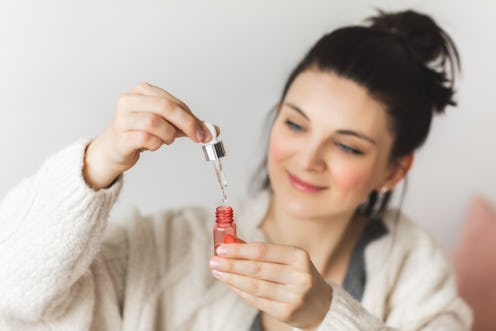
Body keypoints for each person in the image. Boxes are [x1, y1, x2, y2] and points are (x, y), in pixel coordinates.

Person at [0, 9, 472, 331]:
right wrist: (96, 163)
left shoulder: (417, 274)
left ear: (393, 170)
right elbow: (13, 296)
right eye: (295, 124)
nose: (307, 158)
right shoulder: (167, 247)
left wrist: (325, 314)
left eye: (347, 146)